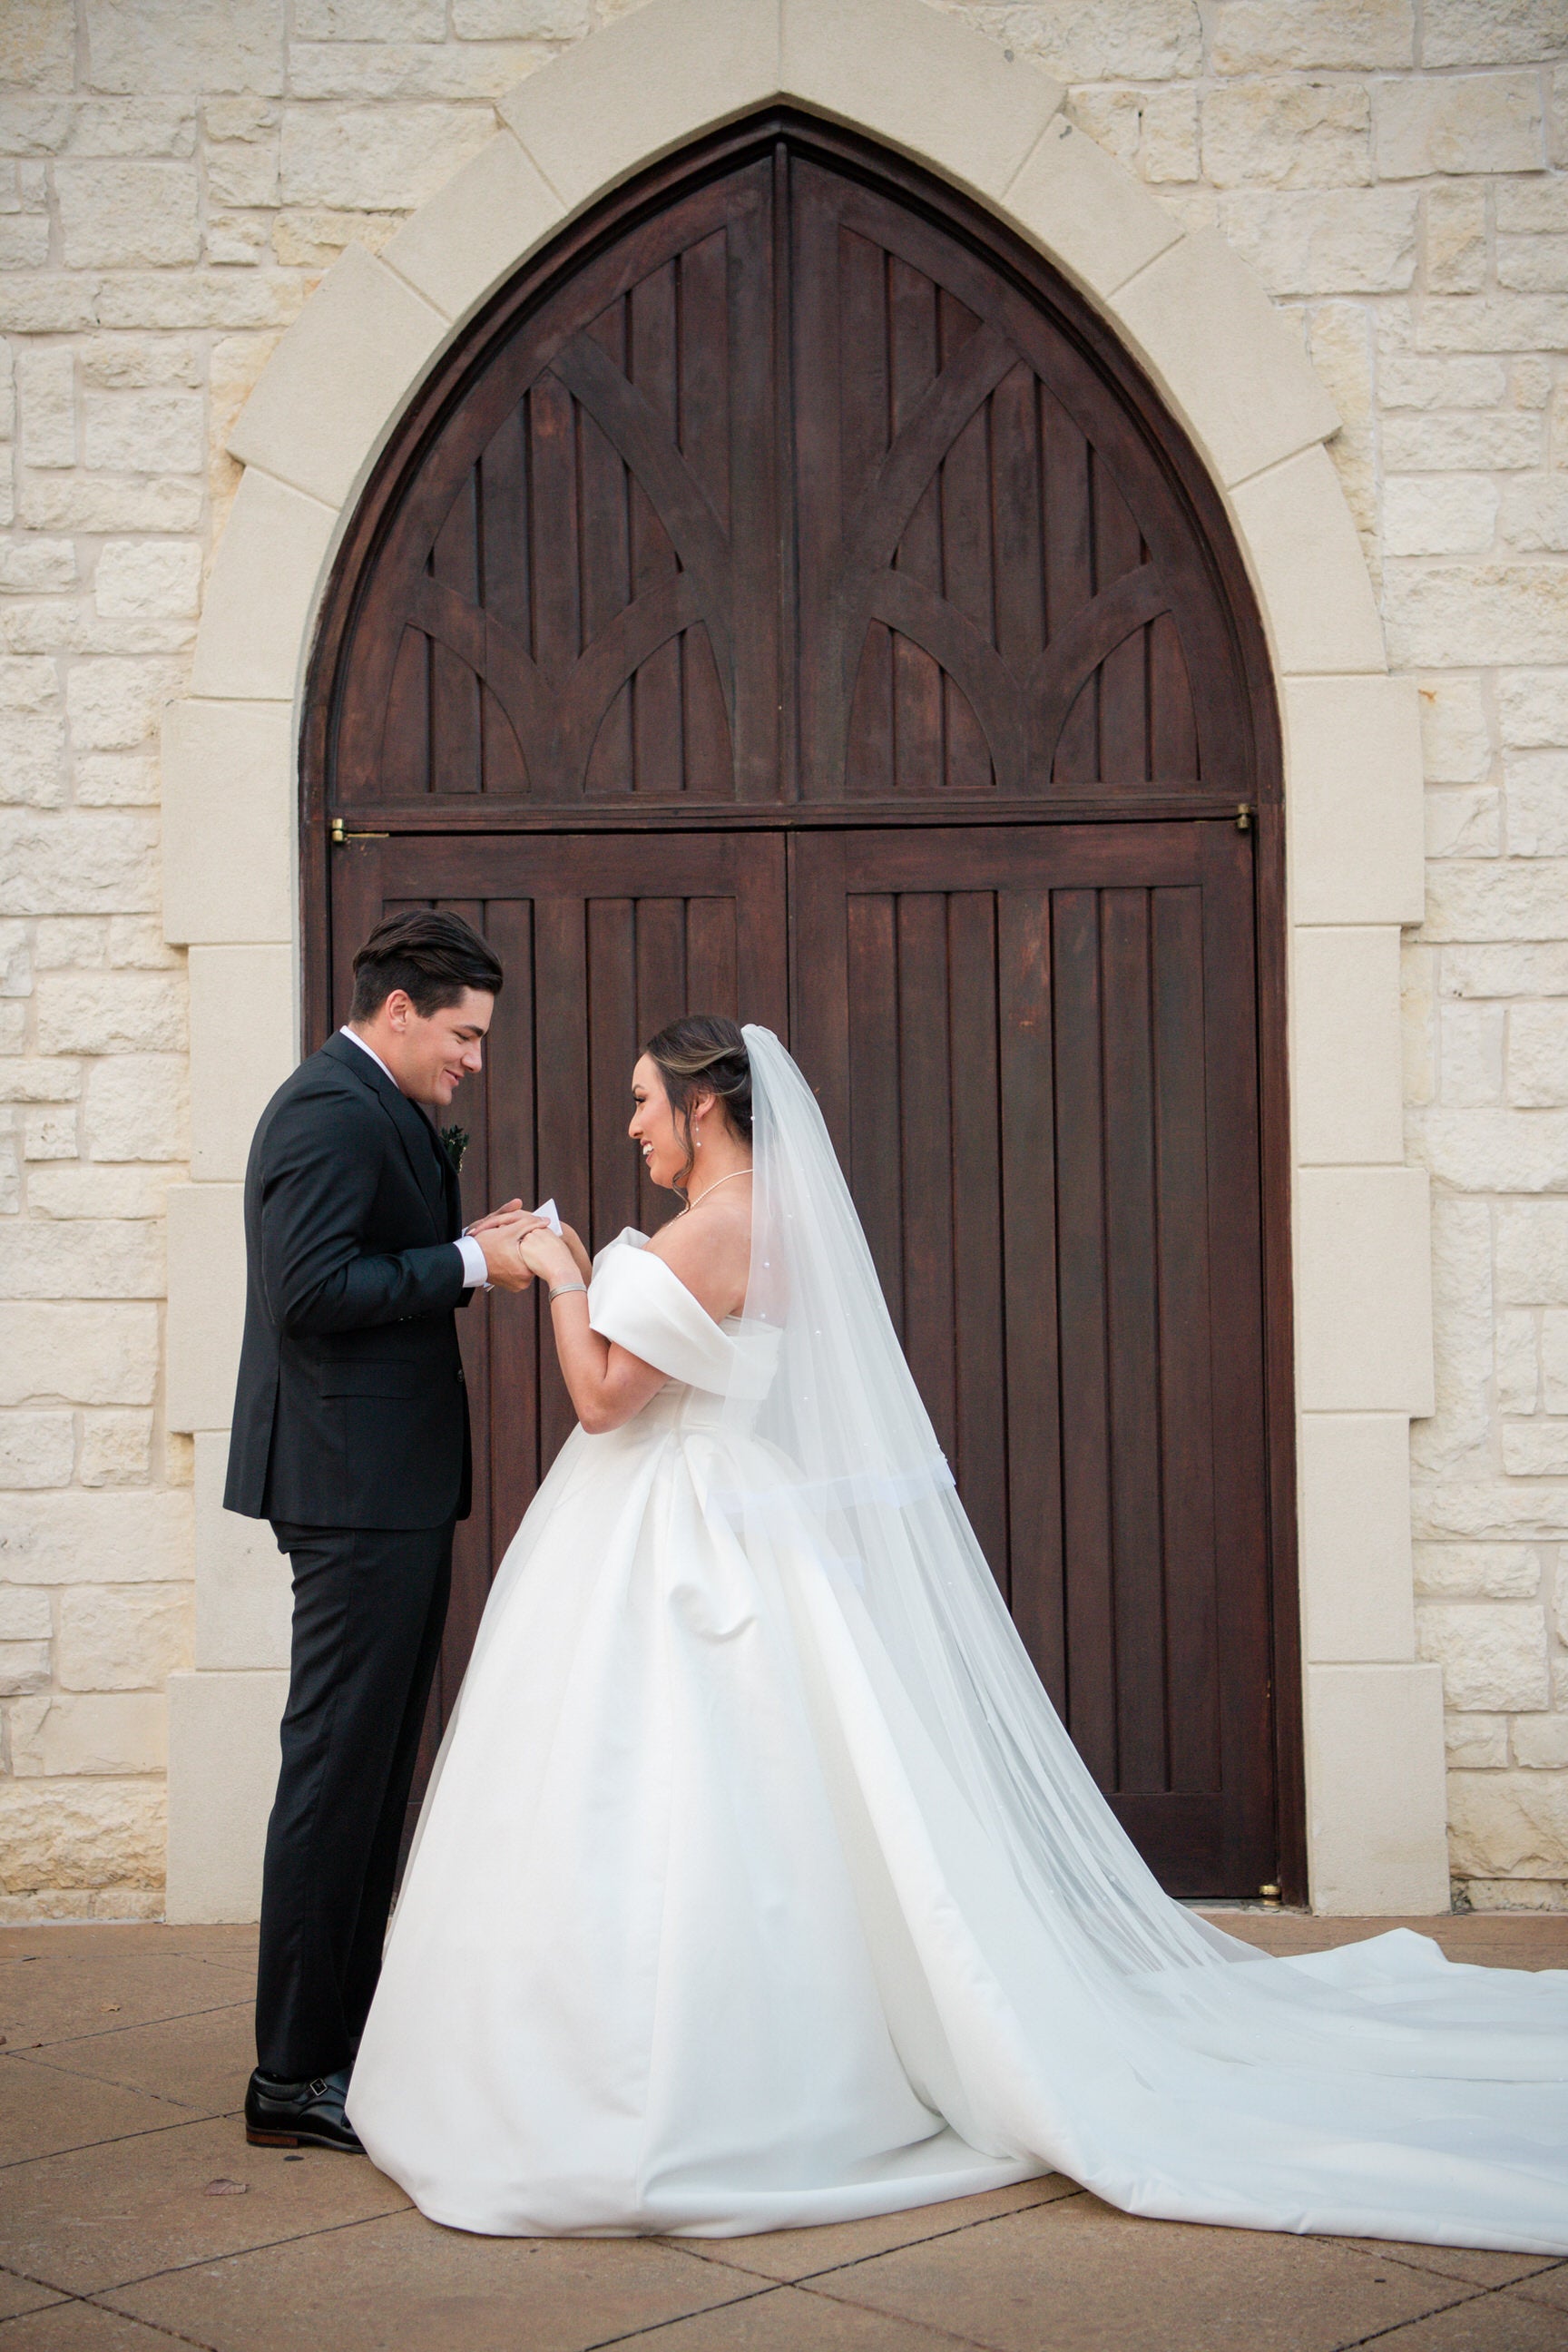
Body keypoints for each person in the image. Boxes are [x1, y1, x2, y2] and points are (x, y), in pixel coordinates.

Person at [347, 1016, 1568, 2249]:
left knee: (655, 1788)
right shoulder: (778, 1223)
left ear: (705, 1105)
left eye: (646, 1102)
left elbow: (606, 1402)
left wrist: (559, 1272)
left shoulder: (714, 1230)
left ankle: (670, 2080)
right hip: (726, 1515)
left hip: (670, 1528)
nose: (634, 1124)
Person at [225, 909, 537, 2153]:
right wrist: (468, 1262)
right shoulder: (328, 1109)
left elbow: (368, 1259)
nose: (473, 1058)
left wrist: (472, 1243)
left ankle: (340, 2045)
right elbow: (307, 1292)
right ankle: (291, 2076)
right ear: (397, 1010)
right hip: (350, 1492)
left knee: (369, 1776)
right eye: (462, 1033)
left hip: (386, 1488)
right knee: (335, 1776)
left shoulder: (375, 1107)